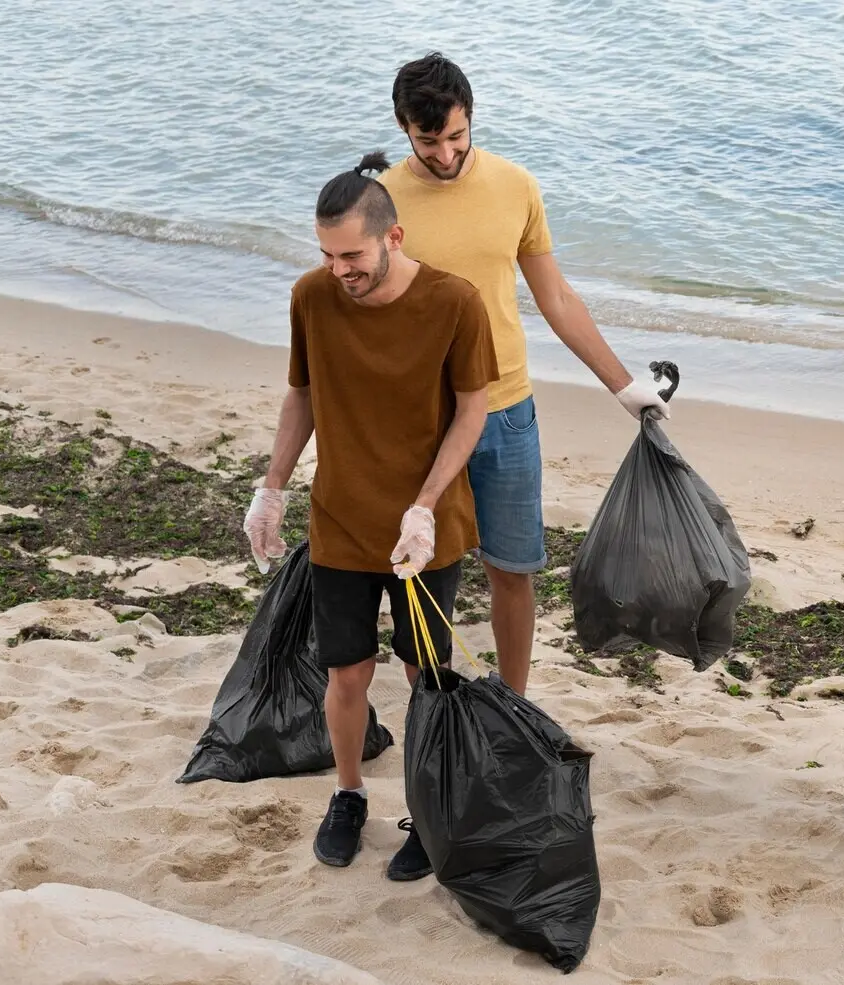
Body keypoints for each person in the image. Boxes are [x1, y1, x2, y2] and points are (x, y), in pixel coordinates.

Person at [377, 52, 670, 698]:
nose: (447, 154)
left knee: (513, 569)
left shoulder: (515, 186)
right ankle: (434, 708)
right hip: (420, 420)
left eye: (457, 136)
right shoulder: (383, 201)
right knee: (423, 569)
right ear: (404, 129)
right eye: (430, 142)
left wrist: (625, 387)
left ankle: (513, 703)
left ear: (471, 117)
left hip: (507, 408)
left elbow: (556, 297)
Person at [241, 152, 499, 877]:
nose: (338, 270)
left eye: (351, 254)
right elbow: (304, 395)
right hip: (342, 522)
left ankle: (426, 806)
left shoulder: (455, 302)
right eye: (326, 254)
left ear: (394, 237)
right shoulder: (312, 297)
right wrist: (273, 486)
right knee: (346, 674)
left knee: (426, 673)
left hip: (427, 531)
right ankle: (349, 793)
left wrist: (423, 505)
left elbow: (474, 409)